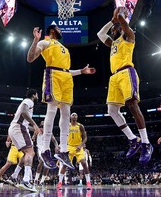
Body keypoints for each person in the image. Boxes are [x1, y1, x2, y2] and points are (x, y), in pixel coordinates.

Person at [27, 25, 96, 169]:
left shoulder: (65, 49)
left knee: (66, 113)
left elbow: (66, 70)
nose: (61, 30)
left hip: (66, 78)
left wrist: (81, 72)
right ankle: (46, 149)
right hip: (53, 75)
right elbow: (30, 58)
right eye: (59, 28)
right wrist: (35, 40)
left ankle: (63, 151)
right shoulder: (45, 42)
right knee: (51, 110)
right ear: (52, 30)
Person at [97, 7, 153, 164]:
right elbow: (100, 34)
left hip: (127, 72)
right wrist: (112, 21)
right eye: (114, 28)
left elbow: (123, 22)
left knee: (132, 105)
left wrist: (120, 15)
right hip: (114, 77)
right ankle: (133, 139)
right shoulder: (113, 42)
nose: (114, 30)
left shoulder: (129, 36)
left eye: (116, 28)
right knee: (112, 110)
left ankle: (146, 143)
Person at [8, 89, 41, 192]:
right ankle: (26, 181)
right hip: (19, 128)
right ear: (34, 95)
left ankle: (14, 176)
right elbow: (23, 113)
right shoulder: (29, 101)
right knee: (30, 152)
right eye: (37, 95)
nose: (38, 97)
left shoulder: (26, 102)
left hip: (16, 128)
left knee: (27, 153)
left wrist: (35, 129)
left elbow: (24, 120)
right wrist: (35, 125)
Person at [57, 113, 92, 190]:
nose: (74, 116)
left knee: (84, 163)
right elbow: (63, 136)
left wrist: (81, 145)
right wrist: (61, 145)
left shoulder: (80, 126)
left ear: (77, 117)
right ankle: (59, 183)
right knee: (64, 165)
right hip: (69, 147)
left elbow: (85, 138)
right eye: (73, 115)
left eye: (76, 115)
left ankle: (88, 183)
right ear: (70, 117)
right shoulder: (67, 126)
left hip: (78, 147)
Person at [32, 121, 59, 189]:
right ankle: (36, 180)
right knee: (41, 161)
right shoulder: (38, 130)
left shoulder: (49, 131)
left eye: (45, 122)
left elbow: (54, 140)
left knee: (47, 165)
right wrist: (33, 138)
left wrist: (56, 146)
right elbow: (33, 137)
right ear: (40, 124)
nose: (43, 123)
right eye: (42, 122)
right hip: (40, 148)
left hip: (47, 149)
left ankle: (42, 181)